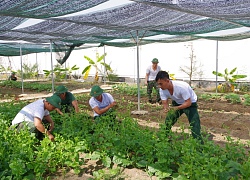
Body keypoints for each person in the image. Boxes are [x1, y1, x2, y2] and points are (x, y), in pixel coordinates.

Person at [155, 70, 203, 143]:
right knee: (169, 120)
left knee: (194, 124)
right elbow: (165, 102)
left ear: (167, 81)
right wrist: (166, 108)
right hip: (177, 102)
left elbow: (188, 103)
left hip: (190, 103)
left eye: (161, 84)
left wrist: (176, 108)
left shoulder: (182, 87)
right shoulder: (162, 90)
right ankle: (163, 138)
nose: (159, 86)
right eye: (158, 84)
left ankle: (199, 145)